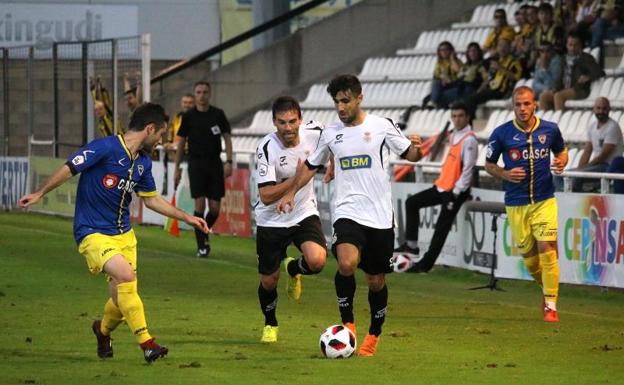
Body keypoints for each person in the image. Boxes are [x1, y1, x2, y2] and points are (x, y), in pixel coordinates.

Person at [18, 103, 209, 362]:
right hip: (92, 232)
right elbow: (70, 168)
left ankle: (102, 330)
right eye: (161, 135)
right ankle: (147, 343)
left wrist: (188, 217)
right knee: (126, 276)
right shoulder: (104, 148)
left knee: (121, 301)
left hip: (125, 236)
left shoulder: (142, 162)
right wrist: (40, 192)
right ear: (149, 129)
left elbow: (152, 200)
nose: (162, 141)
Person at [277, 74, 423, 356]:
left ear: (359, 98)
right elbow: (310, 165)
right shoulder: (331, 134)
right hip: (347, 211)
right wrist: (291, 191)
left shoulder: (382, 127)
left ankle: (374, 335)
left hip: (379, 217)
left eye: (345, 101)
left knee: (375, 280)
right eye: (336, 102)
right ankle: (349, 325)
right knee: (346, 263)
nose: (341, 107)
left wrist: (416, 147)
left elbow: (411, 155)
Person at [485, 86, 568, 323]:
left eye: (527, 104)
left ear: (535, 105)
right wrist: (505, 174)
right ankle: (547, 289)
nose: (522, 108)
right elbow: (489, 164)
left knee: (548, 250)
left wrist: (561, 161)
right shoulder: (501, 133)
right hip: (516, 203)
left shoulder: (550, 129)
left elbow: (562, 152)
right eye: (518, 104)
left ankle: (551, 305)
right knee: (531, 261)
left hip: (544, 201)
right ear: (513, 106)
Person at [254, 96, 328, 343]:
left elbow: (340, 139)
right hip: (271, 220)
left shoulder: (316, 132)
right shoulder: (266, 148)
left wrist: (335, 162)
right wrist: (294, 181)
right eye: (282, 122)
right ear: (274, 122)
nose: (288, 127)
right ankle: (270, 323)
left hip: (303, 212)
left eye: (292, 121)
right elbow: (265, 195)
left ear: (300, 119)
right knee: (268, 281)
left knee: (317, 261)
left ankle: (293, 267)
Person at [395, 102, 478, 272]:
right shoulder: (455, 135)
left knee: (441, 229)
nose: (457, 119)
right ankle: (411, 245)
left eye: (460, 116)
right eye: (454, 116)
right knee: (412, 203)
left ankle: (424, 265)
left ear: (468, 117)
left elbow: (468, 169)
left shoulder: (469, 139)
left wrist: (456, 193)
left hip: (454, 191)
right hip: (442, 186)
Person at [174, 81, 233, 257]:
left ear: (210, 94)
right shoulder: (189, 116)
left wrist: (229, 161)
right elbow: (181, 143)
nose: (202, 95)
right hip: (196, 164)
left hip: (215, 163)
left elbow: (227, 138)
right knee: (199, 204)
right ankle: (202, 245)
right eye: (198, 92)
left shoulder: (218, 114)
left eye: (205, 92)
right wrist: (177, 167)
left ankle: (204, 231)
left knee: (215, 208)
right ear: (195, 94)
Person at [557, 97, 623, 191]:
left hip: (607, 166)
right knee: (559, 176)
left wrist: (584, 169)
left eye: (604, 108)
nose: (601, 111)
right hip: (596, 165)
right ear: (594, 109)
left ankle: (575, 199)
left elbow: (603, 156)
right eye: (598, 108)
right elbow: (587, 151)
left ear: (609, 109)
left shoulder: (613, 127)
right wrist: (580, 169)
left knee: (576, 178)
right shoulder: (592, 126)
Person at [538, 32, 604, 111]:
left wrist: (588, 77)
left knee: (558, 96)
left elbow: (599, 72)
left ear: (580, 45)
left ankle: (559, 121)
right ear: (566, 45)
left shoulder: (586, 58)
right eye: (570, 45)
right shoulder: (563, 59)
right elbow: (559, 77)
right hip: (563, 89)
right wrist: (555, 87)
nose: (572, 48)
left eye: (575, 45)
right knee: (544, 96)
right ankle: (544, 122)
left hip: (578, 90)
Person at [464, 38, 523, 117]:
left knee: (471, 100)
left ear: (509, 48)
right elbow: (490, 78)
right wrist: (481, 89)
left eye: (505, 46)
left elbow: (516, 77)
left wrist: (500, 68)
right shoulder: (496, 61)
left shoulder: (514, 61)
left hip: (502, 91)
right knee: (469, 97)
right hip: (492, 89)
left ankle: (469, 123)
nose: (502, 48)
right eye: (500, 46)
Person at [424, 41, 463, 109]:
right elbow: (437, 75)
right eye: (441, 50)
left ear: (451, 50)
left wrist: (452, 59)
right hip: (443, 85)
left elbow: (458, 71)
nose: (444, 52)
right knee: (436, 83)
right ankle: (434, 102)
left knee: (437, 95)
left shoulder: (457, 61)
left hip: (454, 85)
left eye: (446, 49)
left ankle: (433, 102)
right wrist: (444, 79)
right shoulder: (439, 63)